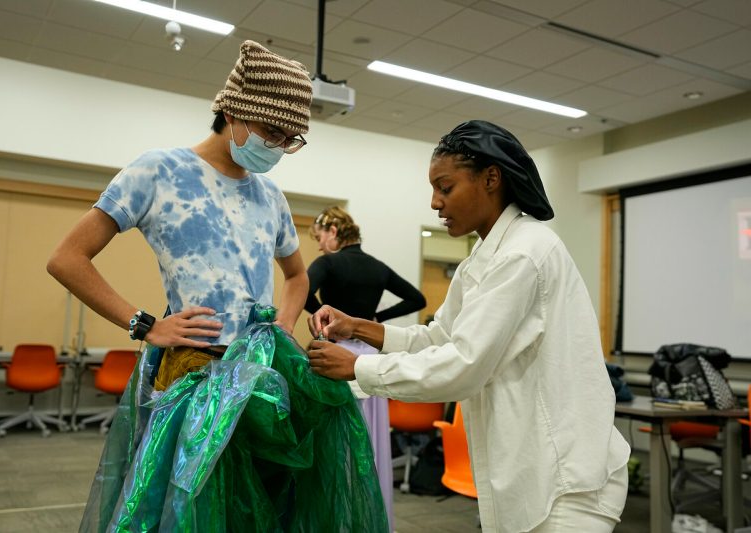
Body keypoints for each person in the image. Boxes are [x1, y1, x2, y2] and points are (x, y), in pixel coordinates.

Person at [48, 40, 387, 532]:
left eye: (290, 139)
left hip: (261, 379)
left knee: (265, 509)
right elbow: (67, 258)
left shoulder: (270, 196)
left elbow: (296, 276)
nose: (277, 147)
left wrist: (283, 327)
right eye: (273, 132)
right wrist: (145, 325)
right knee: (192, 510)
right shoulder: (159, 171)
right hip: (194, 376)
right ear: (233, 111)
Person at [307, 120, 631, 532]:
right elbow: (437, 338)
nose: (434, 202)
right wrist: (359, 328)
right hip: (527, 467)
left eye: (445, 188)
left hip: (565, 477)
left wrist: (357, 368)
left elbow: (464, 365)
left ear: (491, 179)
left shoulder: (524, 252)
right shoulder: (481, 258)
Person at [306, 205, 426, 529]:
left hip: (336, 356)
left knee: (337, 442)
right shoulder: (378, 267)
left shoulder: (328, 263)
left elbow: (299, 287)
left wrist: (322, 314)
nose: (319, 245)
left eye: (319, 237)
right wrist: (376, 321)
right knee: (371, 441)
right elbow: (417, 299)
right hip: (371, 357)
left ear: (333, 232)